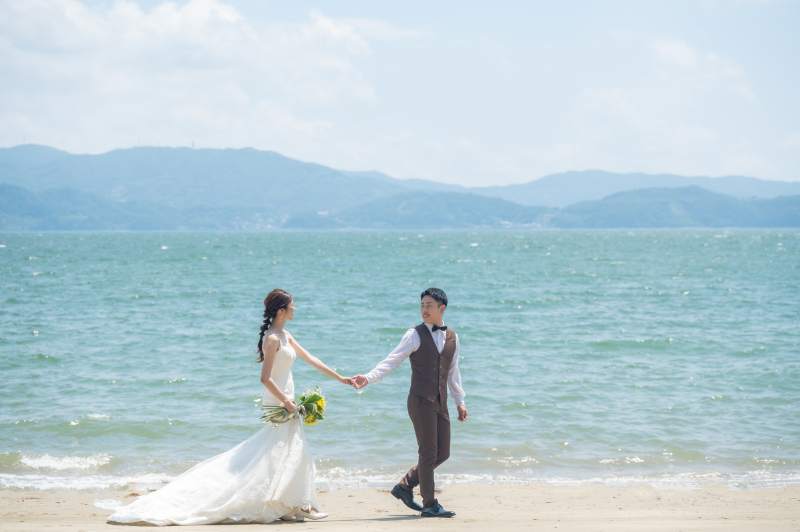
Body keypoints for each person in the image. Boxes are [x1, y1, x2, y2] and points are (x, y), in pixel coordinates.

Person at [107, 288, 354, 526]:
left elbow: (311, 359)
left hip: (287, 396)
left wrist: (341, 378)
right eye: (291, 306)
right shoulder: (271, 339)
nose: (295, 308)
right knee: (291, 448)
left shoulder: (286, 336)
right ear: (281, 311)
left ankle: (288, 505)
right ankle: (300, 506)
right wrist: (286, 401)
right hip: (278, 398)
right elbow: (265, 378)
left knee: (284, 450)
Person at [352, 287, 467, 518]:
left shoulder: (453, 337)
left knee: (442, 453)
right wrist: (369, 377)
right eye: (422, 305)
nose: (424, 309)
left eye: (429, 305)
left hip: (441, 402)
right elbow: (392, 359)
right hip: (420, 401)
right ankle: (430, 504)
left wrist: (459, 400)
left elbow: (453, 372)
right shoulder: (414, 334)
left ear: (441, 308)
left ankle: (405, 487)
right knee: (428, 452)